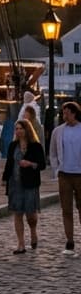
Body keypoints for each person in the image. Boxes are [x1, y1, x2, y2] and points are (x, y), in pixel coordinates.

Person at [1, 119, 46, 253]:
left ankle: (33, 232)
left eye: (21, 128)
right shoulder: (13, 145)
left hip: (30, 184)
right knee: (18, 213)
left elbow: (42, 165)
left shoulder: (36, 146)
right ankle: (21, 244)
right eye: (17, 129)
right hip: (15, 184)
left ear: (27, 130)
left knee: (31, 215)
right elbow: (9, 163)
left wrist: (30, 164)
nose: (19, 131)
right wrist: (4, 179)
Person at [48, 100, 81, 255]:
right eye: (63, 113)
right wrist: (56, 169)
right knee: (66, 209)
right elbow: (53, 151)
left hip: (80, 174)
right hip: (64, 174)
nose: (64, 116)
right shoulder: (58, 131)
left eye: (67, 113)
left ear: (74, 113)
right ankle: (70, 240)